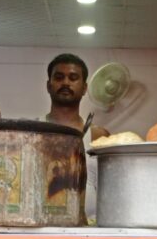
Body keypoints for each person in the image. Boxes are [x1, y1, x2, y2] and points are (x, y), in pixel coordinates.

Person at [43, 53, 109, 221]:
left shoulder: (99, 135)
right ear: (49, 85)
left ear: (84, 88)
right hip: (42, 226)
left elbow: (110, 189)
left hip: (89, 229)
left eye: (73, 78)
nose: (66, 82)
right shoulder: (34, 132)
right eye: (59, 77)